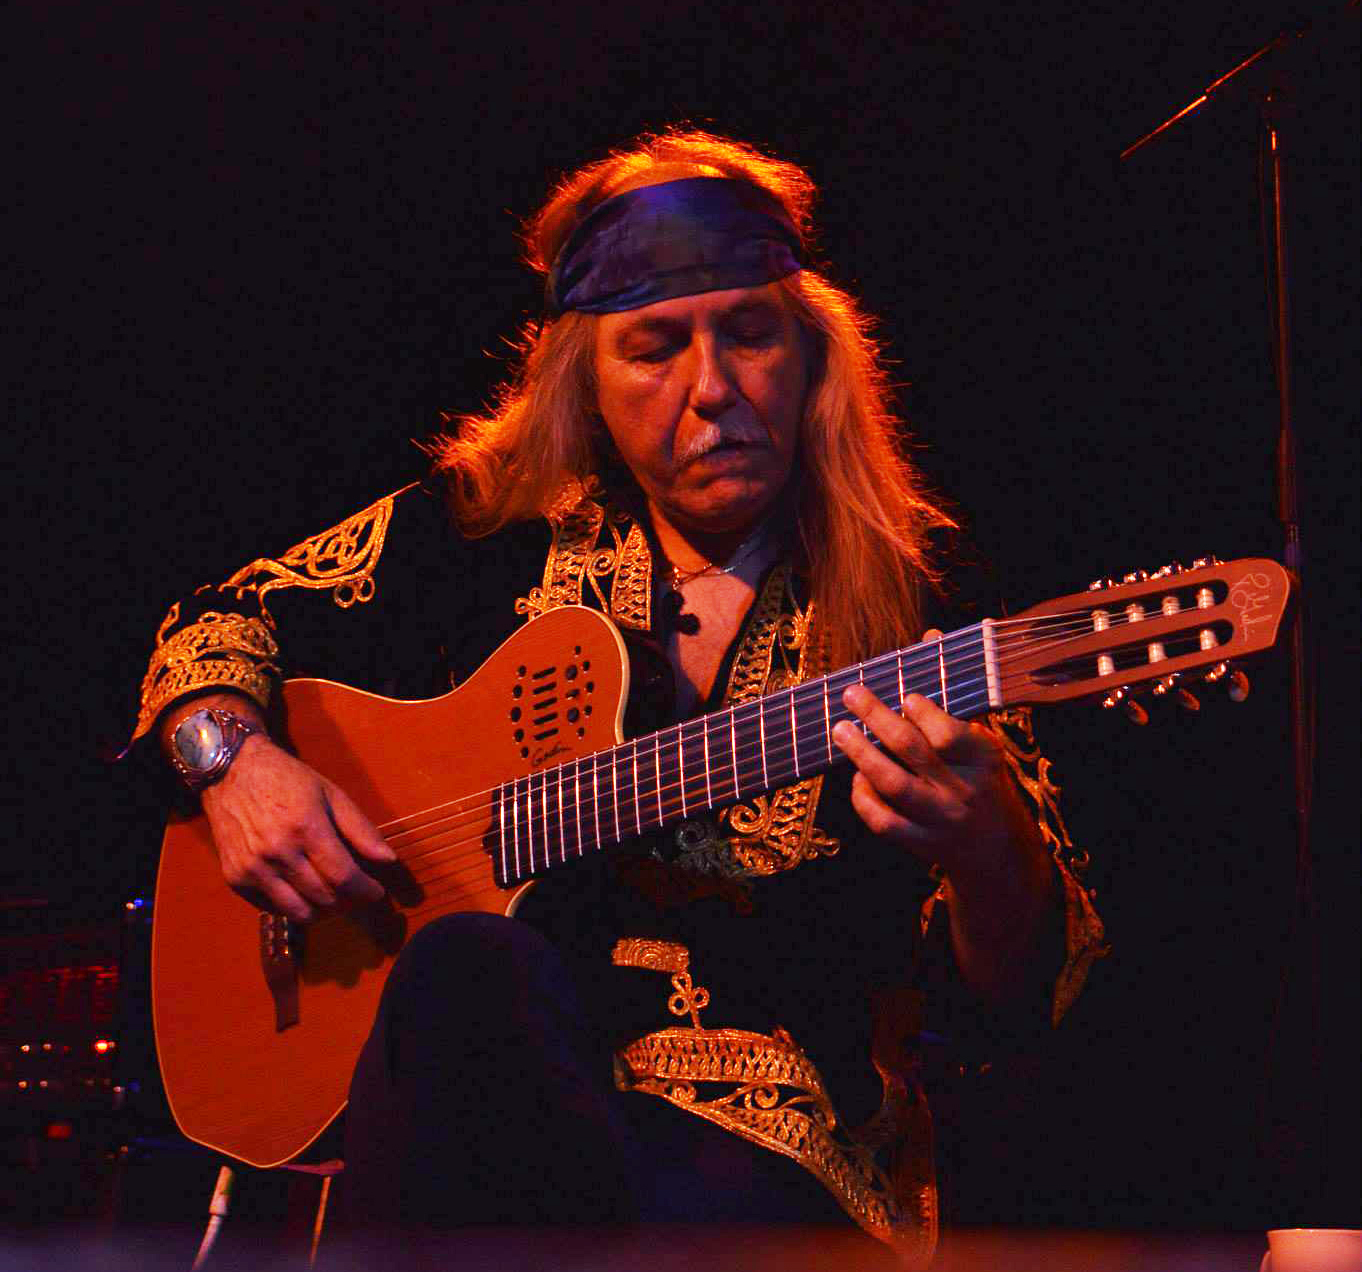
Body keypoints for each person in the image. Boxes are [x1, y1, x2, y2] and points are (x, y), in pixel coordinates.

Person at [132, 130, 1106, 1266]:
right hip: (482, 1114)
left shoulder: (924, 611)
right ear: (584, 383)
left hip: (772, 1163)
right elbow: (219, 619)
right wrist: (232, 763)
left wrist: (991, 849)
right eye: (654, 349)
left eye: (750, 334)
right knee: (465, 968)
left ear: (814, 357)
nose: (713, 392)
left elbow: (1012, 1010)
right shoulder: (478, 534)